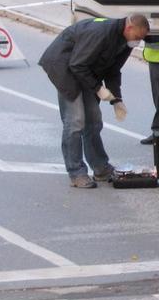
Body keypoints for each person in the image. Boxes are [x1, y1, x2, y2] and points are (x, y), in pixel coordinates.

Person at [39, 14, 150, 188]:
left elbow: (113, 71)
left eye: (141, 40)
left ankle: (100, 168)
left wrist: (116, 100)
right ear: (129, 28)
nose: (138, 42)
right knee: (75, 121)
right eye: (137, 38)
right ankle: (76, 173)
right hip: (65, 68)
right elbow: (77, 64)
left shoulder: (126, 41)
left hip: (85, 72)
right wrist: (98, 89)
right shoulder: (101, 33)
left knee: (94, 121)